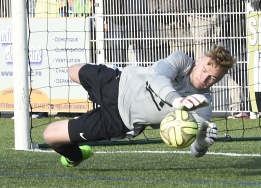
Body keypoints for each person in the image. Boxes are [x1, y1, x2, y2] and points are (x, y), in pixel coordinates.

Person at [43, 45, 236, 167]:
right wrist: (178, 101)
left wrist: (202, 144)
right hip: (118, 82)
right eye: (204, 71)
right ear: (199, 60)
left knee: (51, 135)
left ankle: (75, 157)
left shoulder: (203, 104)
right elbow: (158, 80)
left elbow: (195, 151)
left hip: (120, 120)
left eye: (213, 78)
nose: (205, 79)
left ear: (218, 80)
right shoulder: (182, 61)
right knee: (73, 70)